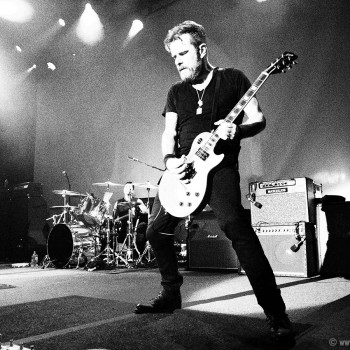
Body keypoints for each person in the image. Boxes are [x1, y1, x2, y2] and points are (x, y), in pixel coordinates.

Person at [134, 21, 295, 346]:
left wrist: (240, 131)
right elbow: (169, 133)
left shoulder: (233, 79)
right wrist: (170, 162)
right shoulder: (176, 92)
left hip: (219, 167)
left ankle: (277, 315)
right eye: (173, 55)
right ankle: (171, 293)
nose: (177, 60)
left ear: (202, 50)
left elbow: (257, 118)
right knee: (154, 232)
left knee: (236, 226)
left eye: (183, 53)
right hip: (182, 170)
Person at [113, 182, 148, 257]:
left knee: (141, 236)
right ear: (123, 190)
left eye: (130, 188)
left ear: (133, 191)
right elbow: (114, 217)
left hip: (135, 226)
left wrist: (140, 207)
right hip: (123, 226)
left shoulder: (137, 200)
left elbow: (146, 211)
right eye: (126, 187)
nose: (128, 189)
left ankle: (138, 256)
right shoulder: (118, 202)